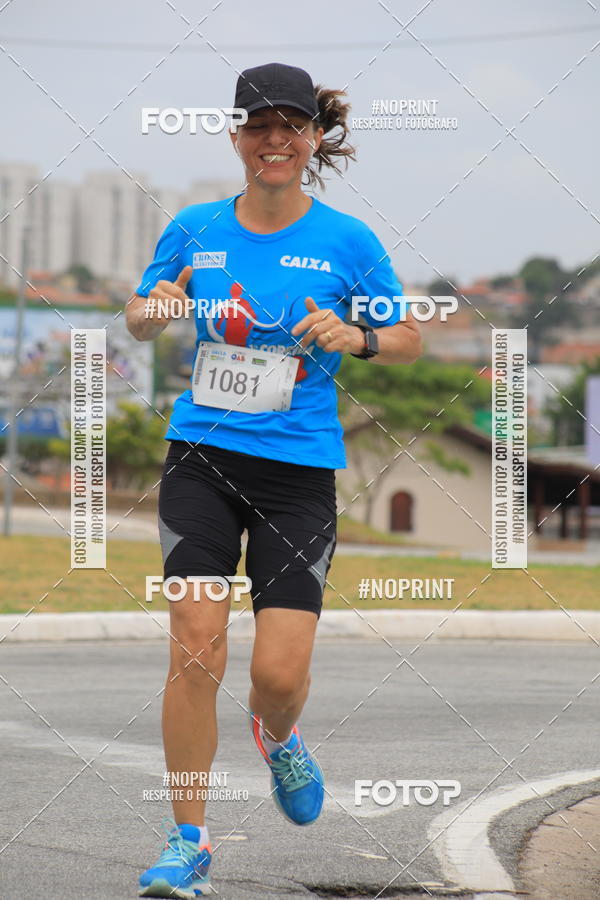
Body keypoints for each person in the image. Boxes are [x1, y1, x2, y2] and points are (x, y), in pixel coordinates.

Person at [127, 61, 422, 899]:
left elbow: (406, 338)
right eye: (258, 125)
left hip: (299, 475)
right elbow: (144, 316)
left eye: (290, 125)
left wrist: (357, 336)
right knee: (194, 641)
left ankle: (280, 735)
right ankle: (188, 842)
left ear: (313, 139)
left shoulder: (348, 242)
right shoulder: (192, 228)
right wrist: (151, 313)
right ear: (236, 136)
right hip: (202, 459)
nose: (274, 139)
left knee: (279, 676)